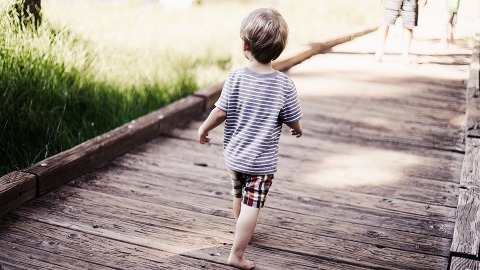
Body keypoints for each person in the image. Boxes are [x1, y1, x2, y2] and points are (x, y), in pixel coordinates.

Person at [197, 7, 303, 270]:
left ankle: (241, 229)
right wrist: (296, 127)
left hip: (235, 156)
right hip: (261, 163)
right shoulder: (284, 85)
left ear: (245, 44)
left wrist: (204, 128)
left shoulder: (236, 77)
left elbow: (220, 111)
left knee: (239, 193)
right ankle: (237, 253)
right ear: (278, 50)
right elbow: (291, 117)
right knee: (252, 204)